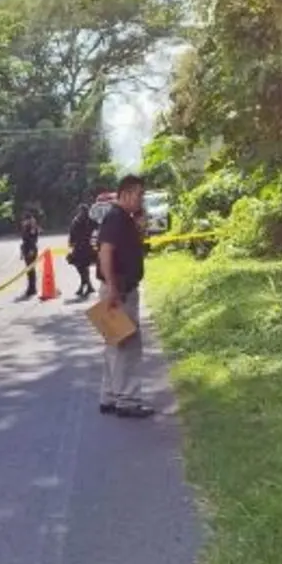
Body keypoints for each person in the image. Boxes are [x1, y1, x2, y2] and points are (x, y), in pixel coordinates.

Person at [96, 174, 153, 419]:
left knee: (114, 344)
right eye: (140, 194)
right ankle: (127, 400)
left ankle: (109, 395)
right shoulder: (115, 218)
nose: (142, 200)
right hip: (119, 291)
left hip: (117, 289)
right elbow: (105, 252)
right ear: (127, 193)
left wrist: (138, 226)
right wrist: (112, 289)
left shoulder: (123, 219)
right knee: (127, 346)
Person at [67, 203, 97, 298]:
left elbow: (72, 232)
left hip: (82, 247)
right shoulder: (85, 221)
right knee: (83, 267)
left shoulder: (78, 221)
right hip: (85, 247)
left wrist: (71, 242)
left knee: (82, 267)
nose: (81, 213)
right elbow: (72, 232)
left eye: (82, 211)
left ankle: (85, 285)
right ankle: (88, 285)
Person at [20, 213, 41, 298]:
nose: (23, 222)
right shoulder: (27, 227)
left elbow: (32, 240)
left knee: (31, 270)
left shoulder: (32, 227)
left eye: (24, 220)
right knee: (29, 270)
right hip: (26, 249)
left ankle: (32, 288)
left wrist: (31, 250)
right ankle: (31, 288)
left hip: (30, 249)